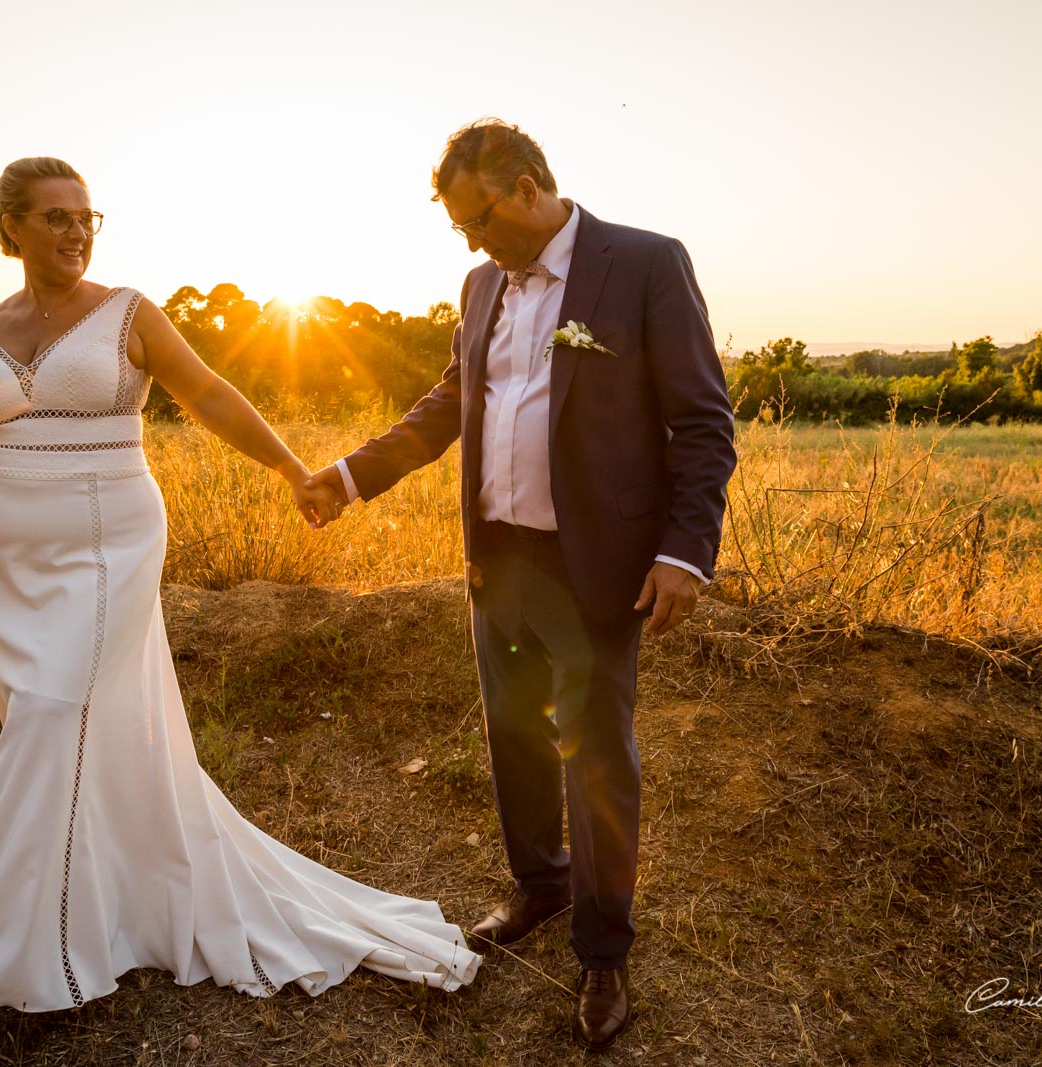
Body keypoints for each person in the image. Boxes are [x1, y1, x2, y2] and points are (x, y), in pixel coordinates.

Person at [0, 157, 479, 1019]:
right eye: (55, 216)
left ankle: (9, 964)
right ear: (10, 226)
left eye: (88, 216)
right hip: (0, 556)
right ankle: (99, 907)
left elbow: (205, 391)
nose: (76, 231)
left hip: (107, 547)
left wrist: (293, 470)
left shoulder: (127, 312)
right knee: (47, 729)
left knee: (54, 719)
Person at [307, 119, 737, 1050]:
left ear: (529, 182)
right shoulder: (479, 284)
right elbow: (447, 404)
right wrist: (348, 477)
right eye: (461, 226)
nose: (472, 241)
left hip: (597, 566)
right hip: (496, 555)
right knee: (514, 738)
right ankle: (540, 884)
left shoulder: (646, 264)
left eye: (480, 217)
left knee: (597, 757)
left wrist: (684, 552)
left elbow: (704, 423)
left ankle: (604, 947)